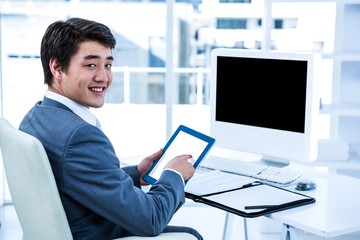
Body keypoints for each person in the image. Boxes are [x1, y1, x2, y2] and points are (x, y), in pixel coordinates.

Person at [19, 17, 203, 240]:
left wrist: (137, 174)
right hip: (94, 233)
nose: (103, 77)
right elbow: (151, 219)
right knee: (191, 234)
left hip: (73, 225)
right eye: (91, 65)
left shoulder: (35, 117)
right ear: (57, 67)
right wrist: (174, 175)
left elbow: (75, 177)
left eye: (108, 65)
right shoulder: (80, 136)